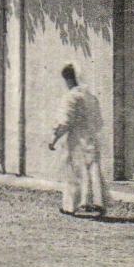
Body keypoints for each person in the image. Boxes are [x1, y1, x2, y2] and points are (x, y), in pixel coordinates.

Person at [48, 61, 109, 216]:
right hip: (91, 137)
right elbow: (99, 121)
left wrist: (54, 139)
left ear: (68, 79)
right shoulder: (91, 97)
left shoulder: (71, 97)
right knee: (92, 169)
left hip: (76, 140)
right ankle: (96, 202)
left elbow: (65, 121)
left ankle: (70, 206)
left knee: (73, 171)